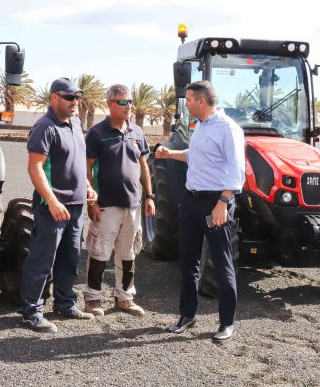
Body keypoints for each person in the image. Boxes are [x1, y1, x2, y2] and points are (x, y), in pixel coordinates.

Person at [155, 80, 245, 342]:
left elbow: (236, 170)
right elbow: (196, 155)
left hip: (215, 203)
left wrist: (223, 202)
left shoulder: (229, 129)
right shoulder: (202, 126)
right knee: (189, 261)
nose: (187, 105)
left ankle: (227, 323)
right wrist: (170, 154)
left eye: (189, 100)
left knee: (222, 262)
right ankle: (187, 315)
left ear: (202, 101)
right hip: (192, 201)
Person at [19, 77, 98, 333]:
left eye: (77, 97)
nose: (75, 102)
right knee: (42, 259)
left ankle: (65, 303)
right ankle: (31, 312)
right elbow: (35, 167)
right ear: (54, 98)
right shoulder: (45, 127)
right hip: (52, 206)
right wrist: (52, 201)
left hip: (75, 206)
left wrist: (86, 186)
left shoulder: (75, 123)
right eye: (69, 97)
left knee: (70, 258)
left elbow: (76, 161)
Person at [83, 84, 156, 317]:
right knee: (99, 252)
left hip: (133, 205)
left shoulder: (137, 132)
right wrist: (91, 202)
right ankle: (93, 299)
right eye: (123, 102)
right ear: (110, 104)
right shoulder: (96, 134)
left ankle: (124, 298)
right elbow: (87, 169)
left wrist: (149, 196)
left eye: (131, 102)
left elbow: (144, 165)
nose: (129, 106)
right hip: (106, 204)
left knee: (128, 254)